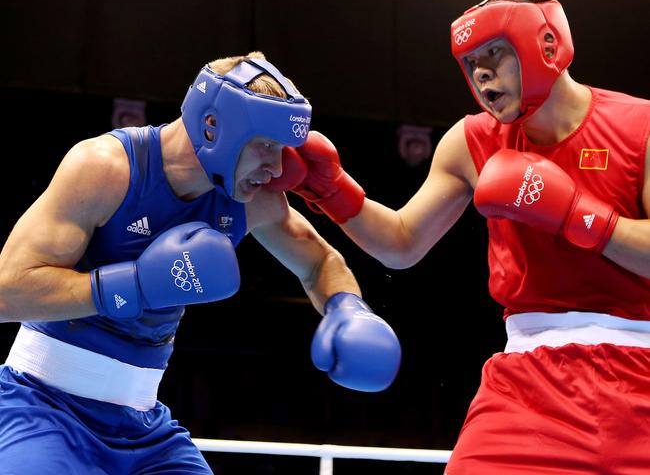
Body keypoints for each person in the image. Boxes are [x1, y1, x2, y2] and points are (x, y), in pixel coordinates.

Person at [273, 0, 650, 473]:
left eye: (495, 53)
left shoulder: (639, 126)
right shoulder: (471, 141)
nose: (481, 74)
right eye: (471, 62)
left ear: (548, 46)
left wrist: (575, 213)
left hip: (640, 367)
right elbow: (402, 243)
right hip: (528, 385)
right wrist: (331, 190)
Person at [0, 52, 401, 474]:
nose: (278, 168)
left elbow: (320, 263)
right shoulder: (106, 168)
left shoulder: (249, 198)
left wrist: (348, 309)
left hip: (142, 426)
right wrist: (134, 285)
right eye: (266, 145)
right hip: (41, 405)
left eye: (283, 149)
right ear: (213, 127)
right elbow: (7, 292)